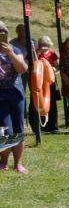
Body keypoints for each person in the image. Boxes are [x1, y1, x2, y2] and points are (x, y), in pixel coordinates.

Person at [0, 21, 28, 173]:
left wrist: (9, 53)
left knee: (18, 128)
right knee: (4, 129)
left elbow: (23, 69)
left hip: (15, 94)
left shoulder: (15, 50)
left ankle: (18, 163)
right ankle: (3, 160)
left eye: (3, 31)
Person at [35, 37, 60, 133]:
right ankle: (43, 127)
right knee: (41, 103)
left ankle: (53, 126)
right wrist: (37, 53)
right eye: (42, 44)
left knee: (52, 104)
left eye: (46, 44)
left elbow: (57, 67)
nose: (44, 47)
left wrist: (54, 69)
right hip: (40, 82)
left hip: (50, 82)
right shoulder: (37, 53)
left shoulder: (52, 54)